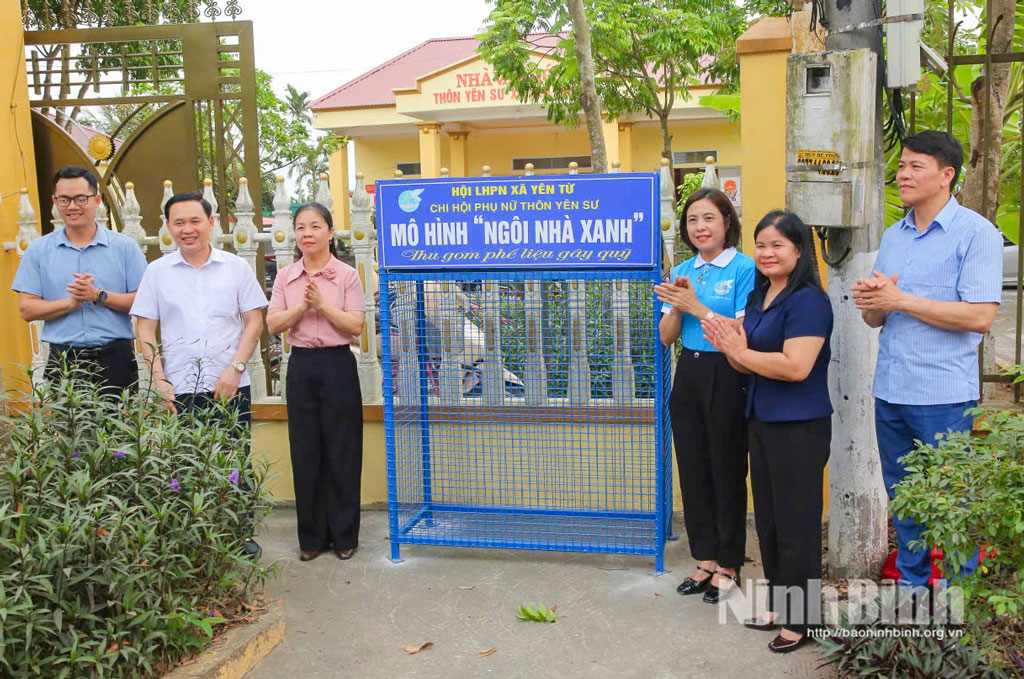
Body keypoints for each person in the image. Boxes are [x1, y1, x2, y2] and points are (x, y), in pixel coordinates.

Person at [851, 131, 1002, 590]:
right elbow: (881, 317)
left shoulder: (976, 233)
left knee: (950, 501)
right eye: (902, 166)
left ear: (947, 175)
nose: (904, 174)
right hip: (891, 388)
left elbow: (979, 316)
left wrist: (901, 299)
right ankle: (912, 590)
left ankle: (959, 597)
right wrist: (873, 303)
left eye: (916, 166)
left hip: (943, 395)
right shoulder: (894, 235)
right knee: (904, 498)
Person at [703, 211, 833, 653]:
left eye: (777, 244)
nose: (766, 253)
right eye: (761, 244)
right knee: (772, 523)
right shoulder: (761, 297)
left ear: (799, 250)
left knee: (796, 524)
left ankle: (803, 619)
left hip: (799, 426)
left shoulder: (809, 301)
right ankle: (781, 604)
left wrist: (739, 350)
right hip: (761, 420)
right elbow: (746, 361)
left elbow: (796, 367)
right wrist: (729, 347)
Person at [130, 191, 268, 556]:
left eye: (195, 221)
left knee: (235, 459)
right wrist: (159, 380)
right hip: (179, 390)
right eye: (179, 223)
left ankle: (238, 534)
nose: (187, 229)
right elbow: (144, 329)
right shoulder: (157, 272)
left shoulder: (235, 267)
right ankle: (192, 538)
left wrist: (235, 369)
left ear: (211, 222)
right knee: (182, 462)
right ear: (167, 227)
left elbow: (254, 320)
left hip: (230, 385)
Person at [654, 188, 755, 604]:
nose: (700, 227)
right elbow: (665, 338)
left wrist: (695, 306)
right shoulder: (681, 269)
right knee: (693, 468)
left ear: (727, 223)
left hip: (728, 370)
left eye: (709, 218)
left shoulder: (746, 268)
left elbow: (742, 332)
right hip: (690, 372)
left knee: (727, 467)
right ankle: (705, 559)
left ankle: (730, 562)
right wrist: (677, 308)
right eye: (693, 220)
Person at [266, 203, 365, 562]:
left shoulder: (346, 276)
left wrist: (322, 305)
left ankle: (344, 536)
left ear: (330, 232)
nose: (307, 234)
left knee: (342, 450)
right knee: (306, 450)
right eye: (301, 228)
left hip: (338, 365)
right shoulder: (286, 276)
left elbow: (355, 327)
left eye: (315, 226)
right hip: (302, 366)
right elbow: (274, 324)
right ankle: (311, 538)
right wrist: (302, 309)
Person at [13, 165, 148, 393]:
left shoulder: (124, 248)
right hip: (64, 358)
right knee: (69, 428)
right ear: (55, 202)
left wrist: (98, 296)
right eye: (64, 199)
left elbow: (144, 303)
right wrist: (70, 303)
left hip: (115, 358)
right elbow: (26, 309)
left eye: (80, 199)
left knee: (119, 428)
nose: (72, 206)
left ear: (96, 201)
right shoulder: (39, 251)